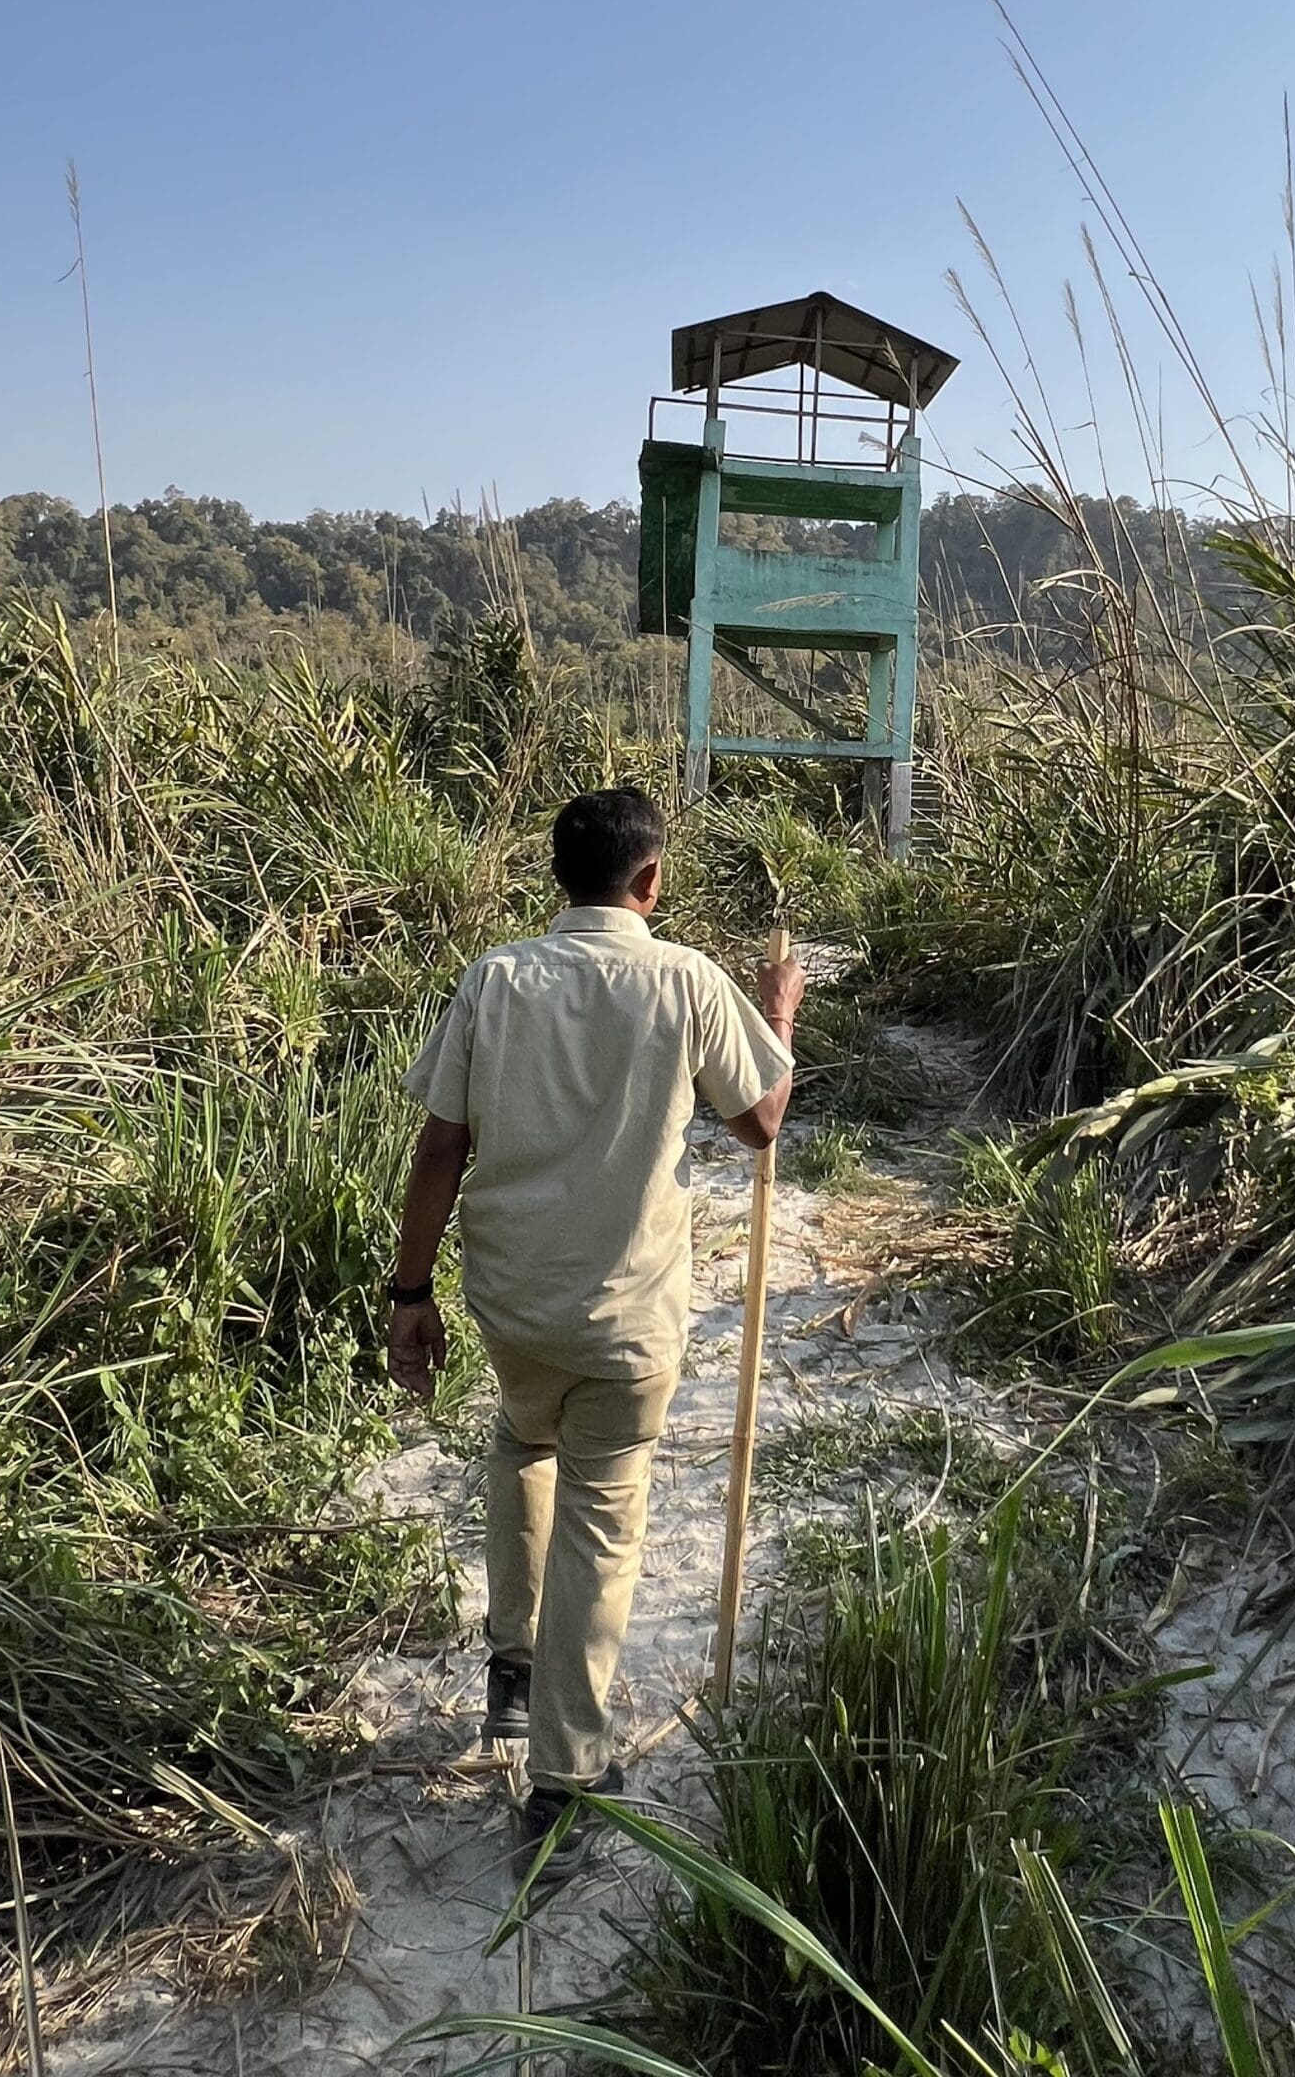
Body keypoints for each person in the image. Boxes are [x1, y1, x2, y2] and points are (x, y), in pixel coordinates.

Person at [385, 784, 804, 1877]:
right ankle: (568, 1771)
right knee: (602, 1522)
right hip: (626, 1315)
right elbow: (761, 1121)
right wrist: (780, 1013)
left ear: (558, 873)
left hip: (513, 1301)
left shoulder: (497, 977)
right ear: (650, 880)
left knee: (524, 1440)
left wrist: (409, 1292)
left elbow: (440, 1149)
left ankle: (514, 1668)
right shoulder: (688, 980)